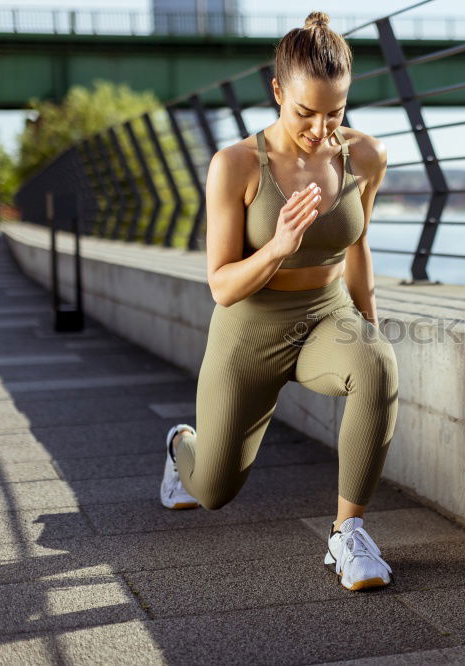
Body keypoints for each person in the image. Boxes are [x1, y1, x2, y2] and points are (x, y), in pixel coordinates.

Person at [159, 11, 399, 592]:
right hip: (249, 325)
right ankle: (179, 447)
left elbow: (359, 244)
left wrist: (368, 325)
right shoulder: (236, 165)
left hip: (327, 315)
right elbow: (220, 284)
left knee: (378, 364)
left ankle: (349, 534)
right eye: (304, 113)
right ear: (276, 92)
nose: (320, 129)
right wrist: (277, 247)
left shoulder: (365, 156)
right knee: (213, 490)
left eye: (334, 113)